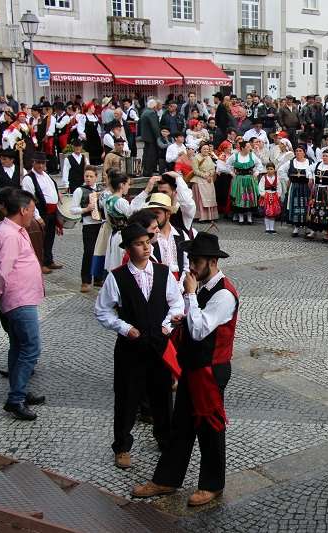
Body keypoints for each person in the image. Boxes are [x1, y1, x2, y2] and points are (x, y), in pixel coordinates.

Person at [132, 232, 238, 507]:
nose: (191, 266)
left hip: (210, 371)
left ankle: (212, 485)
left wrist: (190, 295)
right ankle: (167, 480)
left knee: (210, 427)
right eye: (190, 259)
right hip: (194, 366)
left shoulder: (224, 293)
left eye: (197, 260)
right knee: (181, 425)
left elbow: (201, 329)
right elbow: (194, 321)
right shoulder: (204, 286)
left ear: (213, 262)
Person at [94, 223, 184, 469]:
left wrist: (167, 325)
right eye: (139, 243)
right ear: (128, 248)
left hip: (158, 343)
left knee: (162, 395)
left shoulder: (163, 273)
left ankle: (165, 438)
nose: (146, 247)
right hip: (130, 348)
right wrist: (124, 328)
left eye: (148, 242)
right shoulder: (117, 277)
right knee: (126, 396)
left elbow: (176, 304)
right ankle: (122, 446)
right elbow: (102, 311)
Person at [0, 189, 46, 421]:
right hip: (18, 299)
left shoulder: (11, 229)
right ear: (22, 210)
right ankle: (15, 399)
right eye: (31, 209)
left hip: (21, 297)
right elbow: (4, 268)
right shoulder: (10, 234)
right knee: (31, 347)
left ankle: (18, 389)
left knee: (18, 346)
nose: (33, 213)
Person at [21, 152, 61, 274]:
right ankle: (40, 263)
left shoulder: (46, 175)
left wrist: (57, 194)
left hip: (52, 211)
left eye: (42, 163)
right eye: (38, 163)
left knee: (50, 237)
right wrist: (36, 216)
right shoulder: (29, 178)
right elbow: (30, 199)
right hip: (42, 211)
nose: (40, 165)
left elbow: (52, 189)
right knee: (40, 240)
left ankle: (49, 260)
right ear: (33, 162)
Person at [70, 165, 101, 292]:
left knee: (100, 251)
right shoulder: (79, 190)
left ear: (96, 177)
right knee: (89, 252)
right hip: (88, 224)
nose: (88, 179)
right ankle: (85, 280)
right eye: (86, 176)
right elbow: (72, 210)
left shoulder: (100, 190)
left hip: (101, 223)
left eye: (91, 176)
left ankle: (98, 278)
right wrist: (86, 209)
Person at [282, 144, 314, 237]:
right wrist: (287, 179)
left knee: (306, 206)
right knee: (295, 205)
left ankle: (307, 227)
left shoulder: (310, 162)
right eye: (296, 151)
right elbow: (281, 171)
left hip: (306, 187)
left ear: (304, 153)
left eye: (300, 151)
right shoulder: (291, 162)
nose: (298, 153)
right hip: (295, 187)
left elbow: (314, 172)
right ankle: (296, 227)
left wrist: (311, 180)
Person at [230, 139, 263, 225]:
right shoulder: (235, 156)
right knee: (240, 197)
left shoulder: (252, 156)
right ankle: (241, 217)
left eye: (249, 146)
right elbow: (227, 164)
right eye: (248, 146)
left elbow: (259, 164)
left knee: (250, 197)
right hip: (239, 179)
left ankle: (249, 217)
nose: (250, 148)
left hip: (249, 179)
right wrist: (232, 173)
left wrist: (256, 173)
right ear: (242, 148)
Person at [308, 149, 328, 242]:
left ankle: (326, 233)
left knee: (326, 211)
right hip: (317, 189)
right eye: (323, 156)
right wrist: (310, 177)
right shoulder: (318, 164)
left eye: (326, 156)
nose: (324, 158)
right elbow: (308, 169)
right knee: (314, 210)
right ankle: (313, 230)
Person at [192, 142, 218, 222]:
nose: (206, 150)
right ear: (200, 150)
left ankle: (210, 216)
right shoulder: (196, 158)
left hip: (209, 180)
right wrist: (204, 175)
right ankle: (201, 216)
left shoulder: (209, 157)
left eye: (207, 149)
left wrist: (209, 174)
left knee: (210, 198)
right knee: (201, 199)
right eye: (204, 149)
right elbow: (195, 170)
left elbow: (213, 169)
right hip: (199, 180)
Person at [258, 162, 284, 234]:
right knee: (266, 212)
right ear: (266, 170)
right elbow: (260, 186)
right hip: (266, 196)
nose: (270, 171)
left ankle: (272, 228)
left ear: (274, 170)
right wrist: (263, 194)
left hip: (274, 197)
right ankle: (267, 228)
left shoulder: (277, 178)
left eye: (271, 169)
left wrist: (278, 195)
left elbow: (279, 187)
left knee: (273, 213)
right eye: (268, 169)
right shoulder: (264, 178)